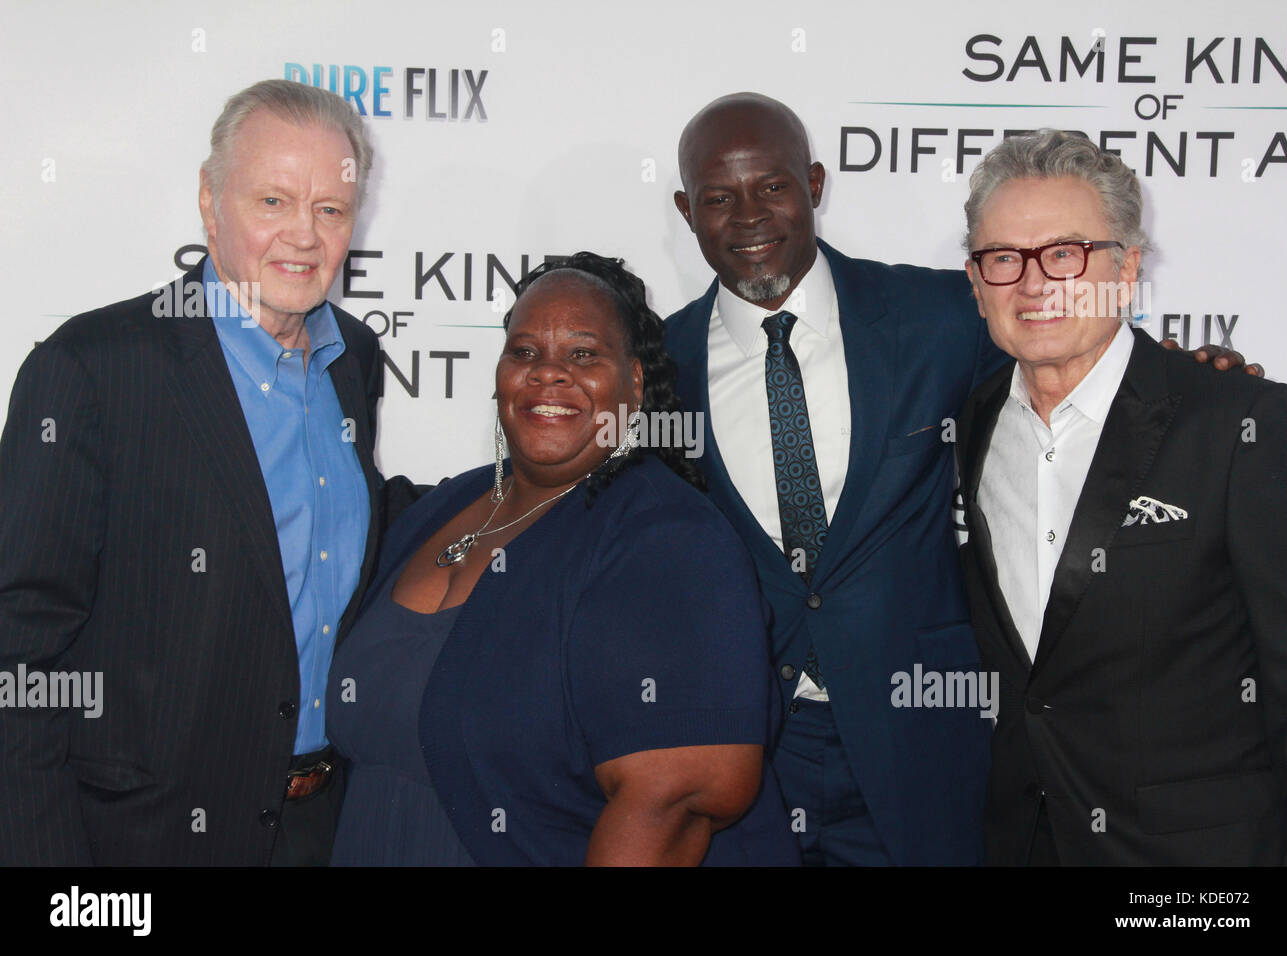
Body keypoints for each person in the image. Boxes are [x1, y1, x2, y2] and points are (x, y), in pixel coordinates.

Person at [662, 92, 1257, 866]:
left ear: (813, 183)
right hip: (750, 758)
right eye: (718, 197)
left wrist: (1199, 382)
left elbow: (1073, 354)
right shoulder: (658, 370)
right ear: (685, 209)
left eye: (771, 186)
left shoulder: (941, 314)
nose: (748, 215)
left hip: (927, 745)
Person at [0, 79, 418, 866]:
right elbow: (16, 657)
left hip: (318, 828)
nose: (304, 235)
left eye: (330, 208)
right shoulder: (94, 371)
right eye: (272, 201)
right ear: (208, 199)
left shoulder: (352, 360)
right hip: (138, 842)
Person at [327, 252, 798, 865]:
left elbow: (675, 800)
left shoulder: (668, 539)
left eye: (583, 354)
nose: (547, 373)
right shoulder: (443, 506)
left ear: (634, 381)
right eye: (523, 352)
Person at [955, 128, 1287, 865]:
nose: (1034, 283)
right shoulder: (968, 427)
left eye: (1065, 254)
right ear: (975, 282)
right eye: (1004, 259)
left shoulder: (1242, 425)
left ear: (1128, 267)